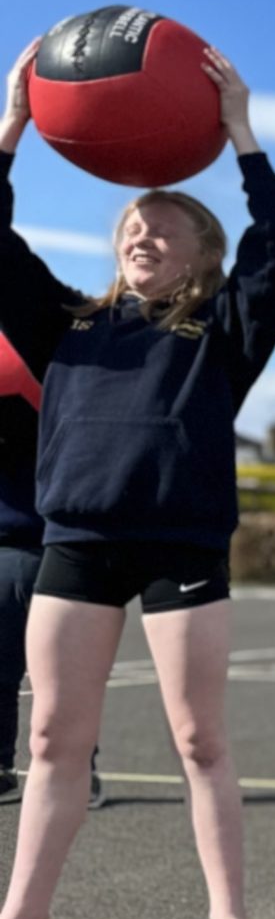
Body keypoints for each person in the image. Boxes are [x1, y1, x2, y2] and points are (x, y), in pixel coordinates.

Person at [0, 38, 275, 919]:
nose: (141, 236)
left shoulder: (223, 333)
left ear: (203, 254)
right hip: (79, 546)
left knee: (198, 738)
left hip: (182, 547)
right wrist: (9, 130)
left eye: (164, 226)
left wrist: (243, 136)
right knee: (52, 739)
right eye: (131, 225)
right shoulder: (66, 326)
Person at [0, 323, 100, 811]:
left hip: (25, 539)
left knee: (9, 669)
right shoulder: (61, 371)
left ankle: (2, 767)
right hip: (56, 540)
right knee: (63, 672)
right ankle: (83, 767)